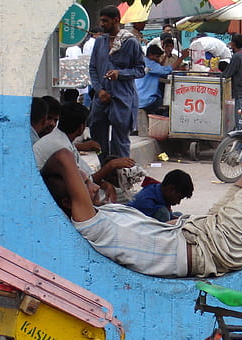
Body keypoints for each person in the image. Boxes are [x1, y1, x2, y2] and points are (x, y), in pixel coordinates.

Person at [55, 43, 242, 278]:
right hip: (214, 247)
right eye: (82, 183)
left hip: (202, 232)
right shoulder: (88, 224)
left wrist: (98, 186)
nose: (89, 182)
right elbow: (65, 158)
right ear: (70, 202)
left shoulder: (102, 215)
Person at [35, 102, 136, 205]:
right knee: (124, 200)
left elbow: (87, 176)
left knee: (123, 196)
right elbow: (83, 181)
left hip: (57, 190)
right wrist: (111, 165)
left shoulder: (63, 139)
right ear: (81, 127)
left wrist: (104, 184)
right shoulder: (61, 146)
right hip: (49, 196)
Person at [88, 5, 145, 158]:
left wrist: (120, 74)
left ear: (116, 20)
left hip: (122, 99)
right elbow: (93, 69)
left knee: (120, 143)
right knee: (98, 140)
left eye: (105, 21)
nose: (102, 24)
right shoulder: (99, 42)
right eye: (101, 21)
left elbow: (140, 70)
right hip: (101, 99)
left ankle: (121, 178)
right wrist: (99, 90)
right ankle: (105, 174)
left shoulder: (130, 42)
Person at [129, 169, 194, 222]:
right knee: (163, 213)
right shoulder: (146, 201)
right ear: (170, 190)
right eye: (179, 198)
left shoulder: (161, 190)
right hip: (137, 222)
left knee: (180, 216)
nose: (178, 202)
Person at [136, 45, 183, 114]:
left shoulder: (143, 62)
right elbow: (167, 70)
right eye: (157, 57)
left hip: (138, 98)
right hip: (147, 100)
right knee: (167, 106)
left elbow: (161, 69)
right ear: (150, 55)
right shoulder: (150, 64)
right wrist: (182, 57)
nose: (158, 59)